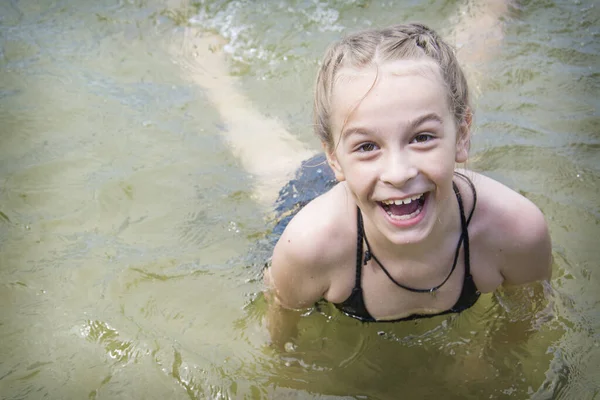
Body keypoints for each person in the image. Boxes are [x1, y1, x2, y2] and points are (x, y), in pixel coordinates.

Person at [170, 1, 551, 347]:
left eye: (422, 137)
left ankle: (491, 10)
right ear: (334, 158)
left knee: (456, 87)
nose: (398, 172)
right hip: (319, 199)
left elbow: (523, 328)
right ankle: (207, 60)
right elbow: (281, 348)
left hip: (440, 185)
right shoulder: (308, 247)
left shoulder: (514, 231)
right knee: (243, 124)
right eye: (367, 145)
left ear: (463, 137)